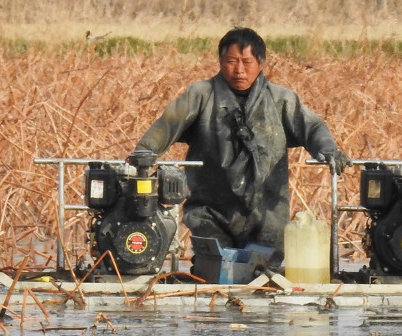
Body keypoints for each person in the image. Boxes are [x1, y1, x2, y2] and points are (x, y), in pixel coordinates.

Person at [134, 27, 349, 271]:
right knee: (215, 272)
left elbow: (312, 127)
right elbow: (167, 125)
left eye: (247, 62)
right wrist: (145, 152)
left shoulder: (282, 100)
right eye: (231, 61)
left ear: (261, 63)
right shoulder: (200, 95)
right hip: (211, 210)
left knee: (264, 277)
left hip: (266, 212)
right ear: (220, 61)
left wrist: (328, 150)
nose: (239, 70)